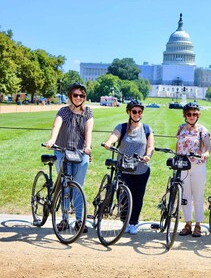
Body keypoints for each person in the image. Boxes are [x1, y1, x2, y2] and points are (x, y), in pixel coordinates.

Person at [45, 82, 94, 233]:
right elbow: (56, 126)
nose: (78, 98)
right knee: (65, 186)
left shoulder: (88, 113)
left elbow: (88, 132)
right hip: (62, 151)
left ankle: (79, 221)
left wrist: (88, 147)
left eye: (82, 95)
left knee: (78, 186)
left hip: (80, 153)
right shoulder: (63, 111)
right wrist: (52, 140)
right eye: (75, 95)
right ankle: (65, 219)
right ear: (70, 96)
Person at [103, 99, 154, 235]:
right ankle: (124, 221)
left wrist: (148, 155)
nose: (137, 114)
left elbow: (150, 146)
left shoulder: (147, 129)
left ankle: (133, 223)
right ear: (129, 112)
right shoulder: (123, 127)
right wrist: (109, 142)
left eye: (139, 111)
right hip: (124, 167)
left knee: (138, 197)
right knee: (123, 195)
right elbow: (115, 135)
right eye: (134, 111)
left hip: (141, 169)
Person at [176, 102, 211, 237]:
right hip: (183, 165)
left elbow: (207, 146)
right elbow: (178, 146)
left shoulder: (202, 130)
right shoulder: (180, 128)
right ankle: (188, 223)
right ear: (185, 115)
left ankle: (198, 224)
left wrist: (206, 153)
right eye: (189, 114)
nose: (192, 116)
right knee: (185, 196)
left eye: (195, 114)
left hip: (198, 165)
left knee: (198, 195)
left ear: (198, 115)